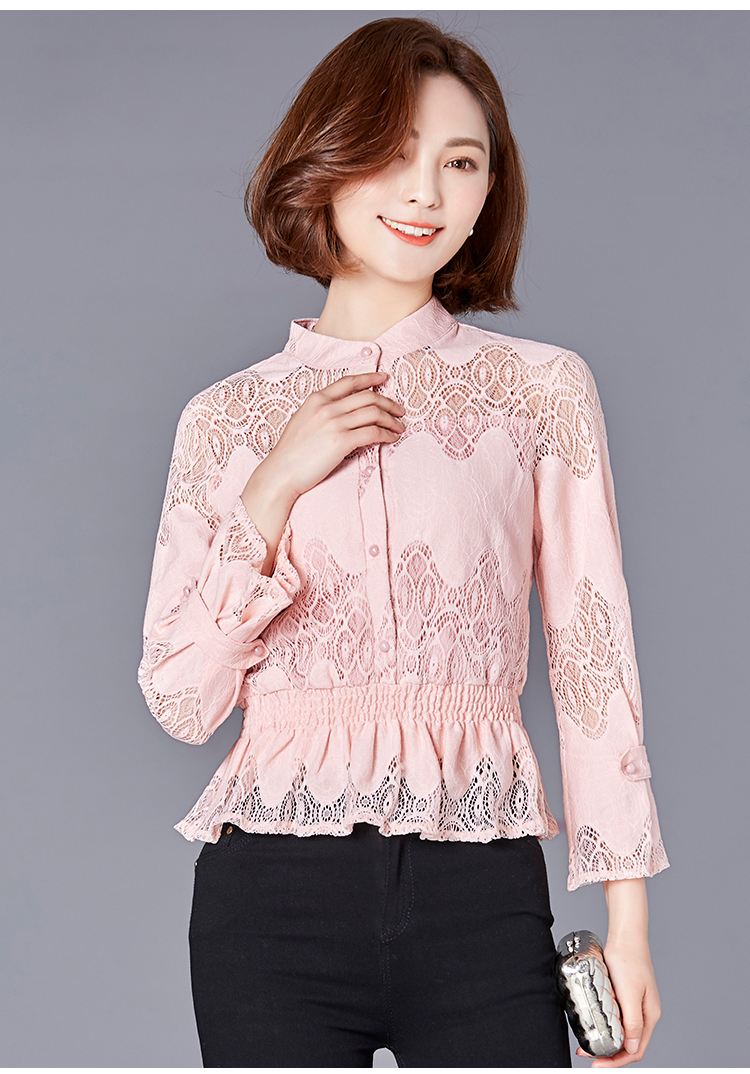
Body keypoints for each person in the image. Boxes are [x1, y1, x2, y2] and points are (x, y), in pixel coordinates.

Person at [138, 16, 669, 1069]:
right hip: (269, 905)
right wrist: (275, 484)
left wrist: (630, 922)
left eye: (460, 163)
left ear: (489, 190)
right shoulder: (226, 421)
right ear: (326, 159)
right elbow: (180, 700)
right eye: (392, 152)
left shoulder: (539, 390)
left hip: (481, 893)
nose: (425, 193)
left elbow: (593, 658)